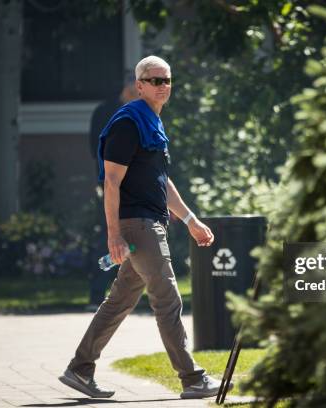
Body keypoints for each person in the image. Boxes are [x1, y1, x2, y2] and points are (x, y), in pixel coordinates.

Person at [59, 55, 233, 400]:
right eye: (155, 80)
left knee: (118, 302)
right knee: (168, 299)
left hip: (149, 222)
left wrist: (190, 219)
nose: (162, 86)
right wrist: (114, 234)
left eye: (167, 80)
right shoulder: (128, 123)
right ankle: (192, 378)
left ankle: (79, 369)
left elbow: (161, 181)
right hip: (138, 225)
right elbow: (111, 181)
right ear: (139, 86)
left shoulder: (151, 123)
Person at [87, 80, 137, 309]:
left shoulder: (126, 113)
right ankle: (98, 292)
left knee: (129, 238)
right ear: (127, 91)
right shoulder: (114, 115)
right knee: (111, 236)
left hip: (122, 184)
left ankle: (112, 294)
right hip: (115, 184)